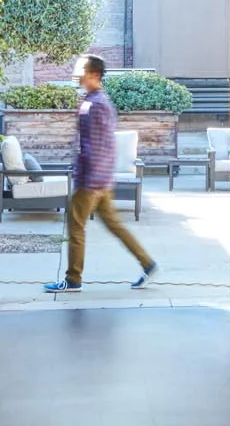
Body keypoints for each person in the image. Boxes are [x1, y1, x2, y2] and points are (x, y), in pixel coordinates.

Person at [43, 55, 157, 294]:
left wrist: (92, 180)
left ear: (94, 74)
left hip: (92, 180)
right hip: (99, 179)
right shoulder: (93, 100)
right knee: (115, 225)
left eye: (83, 70)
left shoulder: (97, 104)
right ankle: (148, 263)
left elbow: (101, 144)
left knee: (75, 226)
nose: (79, 75)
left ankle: (73, 279)